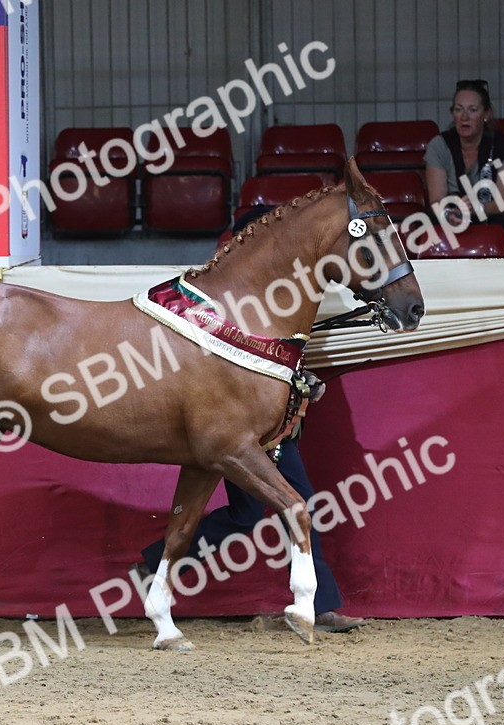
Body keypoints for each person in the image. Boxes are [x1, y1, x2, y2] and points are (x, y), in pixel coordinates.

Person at [134, 205, 365, 634]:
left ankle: (154, 565)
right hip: (246, 429)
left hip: (268, 424)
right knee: (298, 500)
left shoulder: (277, 296)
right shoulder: (231, 300)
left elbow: (277, 359)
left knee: (245, 515)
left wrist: (302, 381)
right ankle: (321, 605)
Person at [425, 78, 504, 256]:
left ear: (486, 114)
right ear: (452, 115)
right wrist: (450, 212)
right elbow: (436, 201)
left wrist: (476, 208)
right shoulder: (439, 145)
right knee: (429, 222)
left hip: (492, 215)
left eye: (472, 110)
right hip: (454, 214)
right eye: (459, 110)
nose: (464, 117)